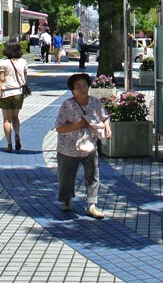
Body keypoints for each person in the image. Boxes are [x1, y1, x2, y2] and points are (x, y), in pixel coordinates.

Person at [54, 72, 110, 219]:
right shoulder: (67, 105)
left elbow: (104, 117)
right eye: (78, 86)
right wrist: (77, 125)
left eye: (84, 85)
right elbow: (59, 127)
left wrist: (107, 126)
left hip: (90, 146)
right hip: (68, 149)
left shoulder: (95, 102)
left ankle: (92, 204)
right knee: (66, 177)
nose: (82, 88)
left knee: (93, 176)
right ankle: (66, 200)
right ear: (72, 89)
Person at [0, 39, 29, 153]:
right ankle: (17, 135)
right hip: (18, 93)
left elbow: (1, 80)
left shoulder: (3, 63)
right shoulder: (23, 62)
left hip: (6, 93)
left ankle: (9, 144)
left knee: (6, 120)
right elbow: (25, 77)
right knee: (15, 117)